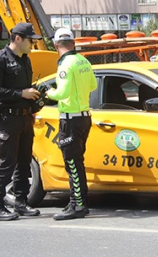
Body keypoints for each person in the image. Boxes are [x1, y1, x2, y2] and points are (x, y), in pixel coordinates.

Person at [0, 22, 43, 221]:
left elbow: (27, 90)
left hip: (25, 117)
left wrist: (33, 99)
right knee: (6, 163)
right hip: (7, 119)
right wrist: (22, 93)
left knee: (24, 162)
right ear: (17, 39)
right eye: (30, 40)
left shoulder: (25, 60)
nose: (32, 45)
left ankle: (21, 202)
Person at [46, 28, 97, 220]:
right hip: (84, 118)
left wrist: (49, 92)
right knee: (77, 162)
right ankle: (78, 202)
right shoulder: (83, 61)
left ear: (56, 45)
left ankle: (78, 205)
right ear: (73, 43)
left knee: (72, 164)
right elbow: (93, 85)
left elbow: (62, 93)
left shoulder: (65, 65)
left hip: (70, 119)